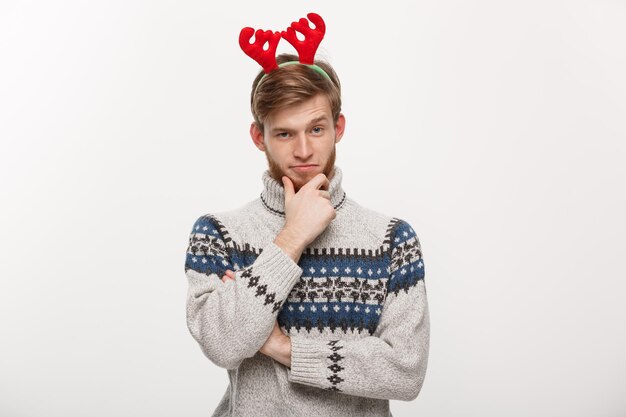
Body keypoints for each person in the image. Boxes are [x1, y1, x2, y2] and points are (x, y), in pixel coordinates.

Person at [184, 13, 430, 417]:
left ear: (339, 128)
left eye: (316, 129)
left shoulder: (391, 240)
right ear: (258, 137)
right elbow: (223, 344)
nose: (302, 150)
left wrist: (284, 347)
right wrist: (291, 238)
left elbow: (405, 372)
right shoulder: (219, 234)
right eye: (284, 133)